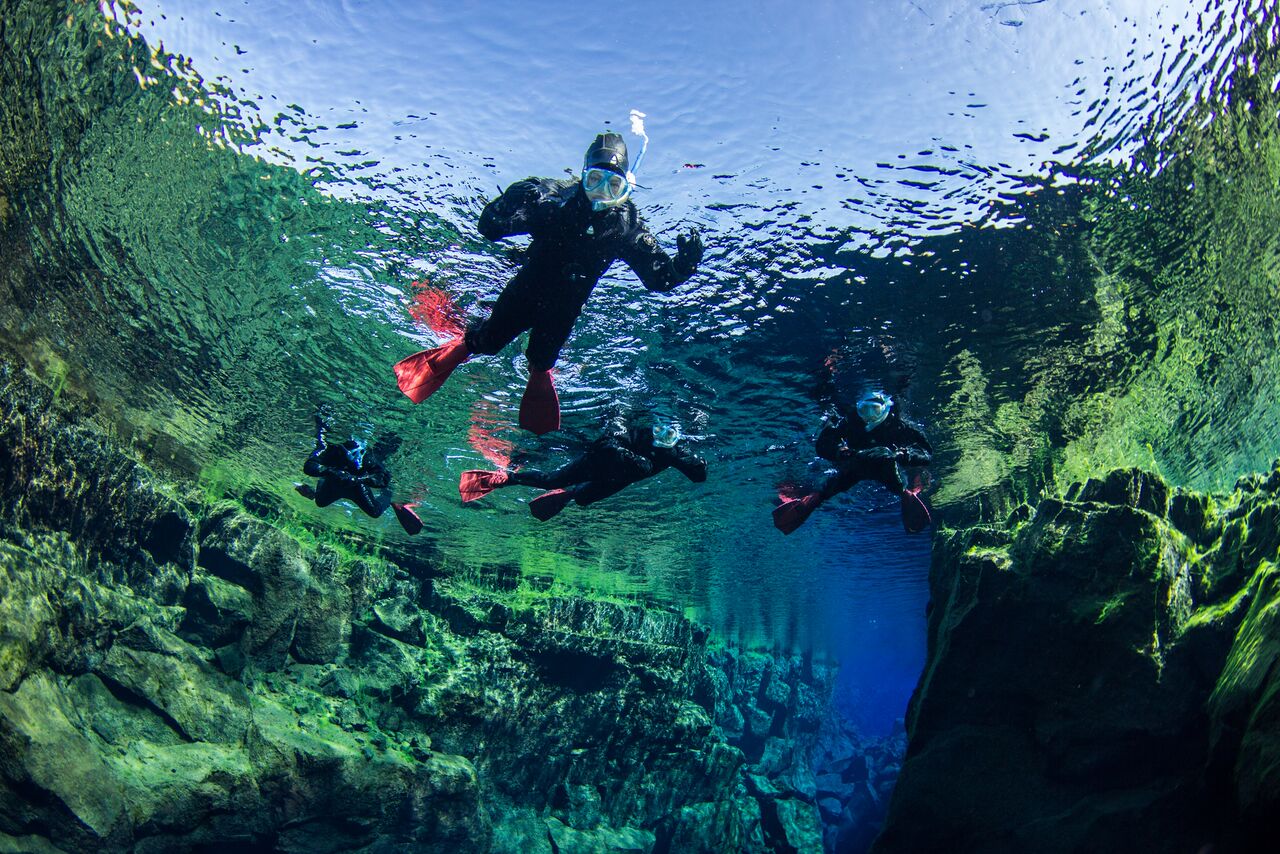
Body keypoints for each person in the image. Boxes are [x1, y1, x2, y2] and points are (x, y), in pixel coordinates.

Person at [393, 130, 705, 435]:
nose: (600, 194)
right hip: (525, 291)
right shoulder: (553, 200)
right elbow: (489, 227)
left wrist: (684, 265)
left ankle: (538, 374)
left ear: (625, 187)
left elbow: (658, 280)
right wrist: (510, 200)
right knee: (487, 342)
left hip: (564, 310)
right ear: (583, 175)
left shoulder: (626, 226)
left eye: (612, 185)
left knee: (542, 361)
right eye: (595, 180)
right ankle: (463, 346)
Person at [458, 421, 707, 520]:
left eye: (669, 434)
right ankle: (506, 478)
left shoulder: (675, 452)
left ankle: (567, 494)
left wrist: (695, 464)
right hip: (595, 463)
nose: (661, 437)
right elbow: (607, 443)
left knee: (584, 499)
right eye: (659, 430)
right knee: (548, 480)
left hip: (618, 479)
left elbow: (699, 477)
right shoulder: (635, 429)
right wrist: (634, 459)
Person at [773, 392, 932, 535]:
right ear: (858, 409)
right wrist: (838, 452)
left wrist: (905, 455)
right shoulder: (851, 421)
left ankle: (908, 495)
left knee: (898, 485)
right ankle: (809, 502)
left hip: (886, 463)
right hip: (855, 462)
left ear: (885, 409)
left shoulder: (899, 423)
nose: (869, 417)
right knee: (829, 489)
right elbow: (822, 445)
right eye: (864, 410)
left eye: (875, 410)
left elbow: (926, 452)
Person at [294, 409, 423, 535]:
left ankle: (391, 499)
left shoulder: (367, 458)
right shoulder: (330, 449)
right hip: (333, 482)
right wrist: (333, 472)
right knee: (321, 502)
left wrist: (359, 479)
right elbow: (309, 466)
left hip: (356, 485)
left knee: (375, 510)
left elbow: (382, 479)